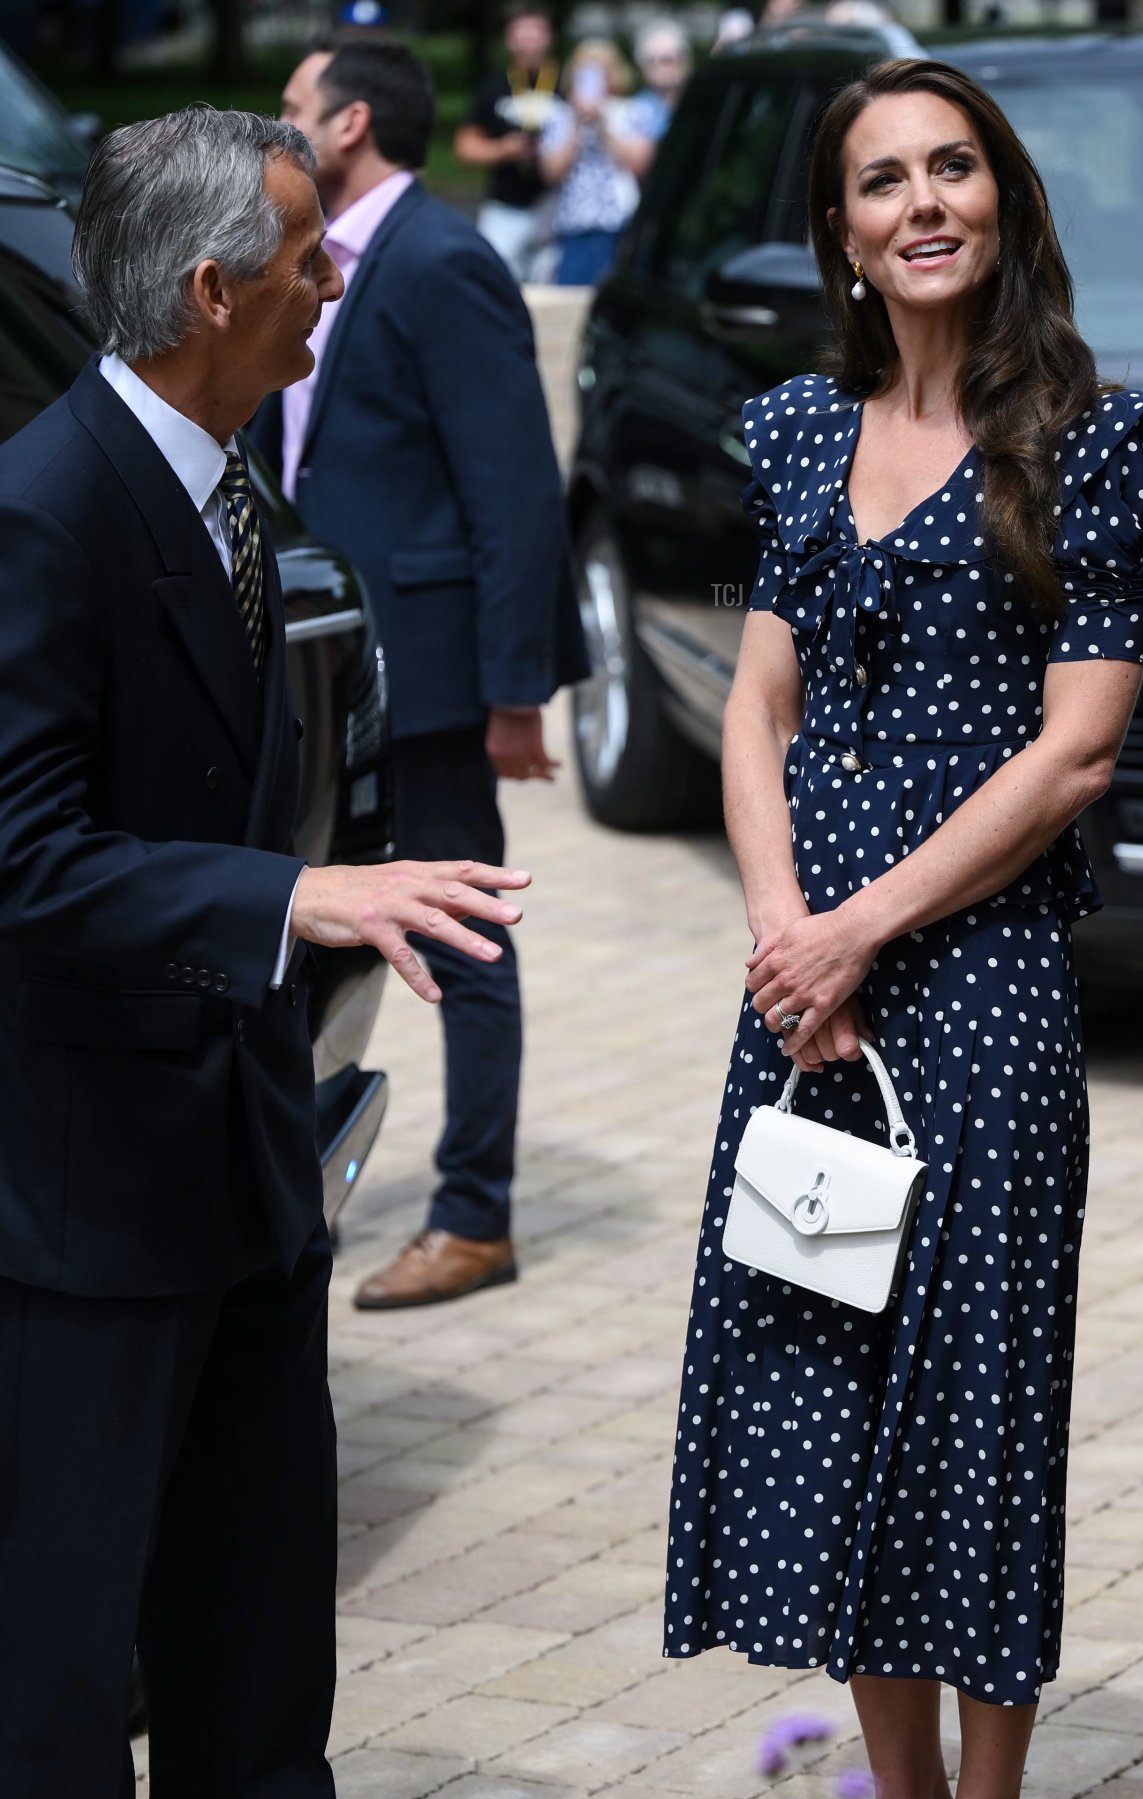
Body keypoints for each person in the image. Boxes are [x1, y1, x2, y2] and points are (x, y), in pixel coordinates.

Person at [0, 107, 521, 1799]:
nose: (332, 283)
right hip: (79, 1151)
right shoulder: (46, 506)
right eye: (308, 257)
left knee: (256, 1545)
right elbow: (23, 855)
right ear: (214, 288)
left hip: (233, 1110)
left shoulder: (225, 477)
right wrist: (290, 901)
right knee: (72, 1593)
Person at [664, 55, 1143, 1799]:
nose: (923, 203)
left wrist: (864, 926)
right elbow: (756, 710)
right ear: (845, 233)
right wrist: (784, 934)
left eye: (953, 167)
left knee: (969, 1431)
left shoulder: (1099, 436)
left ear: (1006, 197)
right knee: (831, 1423)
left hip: (976, 996)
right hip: (810, 998)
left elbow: (1077, 751)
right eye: (883, 181)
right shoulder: (802, 428)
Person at [264, 36, 588, 1311]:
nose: (277, 121)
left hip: (435, 683)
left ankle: (473, 1215)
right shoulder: (319, 254)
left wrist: (515, 695)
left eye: (293, 103)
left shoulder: (443, 259)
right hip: (329, 668)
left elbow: (515, 492)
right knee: (312, 928)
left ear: (349, 123)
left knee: (466, 943)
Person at [455, 3, 561, 285]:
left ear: (549, 36)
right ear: (509, 38)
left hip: (557, 209)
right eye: (521, 32)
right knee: (495, 283)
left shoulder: (567, 83)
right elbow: (464, 147)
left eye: (535, 31)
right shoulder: (494, 85)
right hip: (505, 208)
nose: (528, 39)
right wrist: (505, 149)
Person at [538, 39, 645, 288]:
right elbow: (551, 173)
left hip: (619, 222)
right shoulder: (560, 116)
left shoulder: (631, 111)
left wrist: (603, 122)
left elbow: (638, 164)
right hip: (574, 224)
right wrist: (576, 124)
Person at [610, 20, 693, 182]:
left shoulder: (701, 102)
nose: (659, 67)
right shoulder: (634, 110)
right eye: (651, 61)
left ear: (685, 62)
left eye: (667, 59)